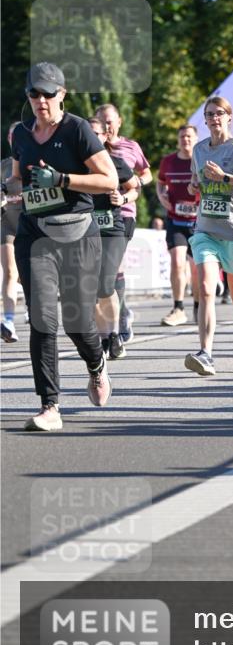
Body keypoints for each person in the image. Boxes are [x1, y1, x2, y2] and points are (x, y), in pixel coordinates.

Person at [10, 63, 116, 432]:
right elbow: (17, 179)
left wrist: (62, 180)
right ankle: (50, 405)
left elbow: (109, 179)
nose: (41, 100)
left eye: (48, 93)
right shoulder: (20, 134)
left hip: (77, 235)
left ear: (62, 94)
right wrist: (9, 190)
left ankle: (96, 364)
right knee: (41, 317)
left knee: (77, 322)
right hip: (35, 234)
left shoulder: (77, 129)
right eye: (34, 93)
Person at [184, 95, 233, 375]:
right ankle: (206, 353)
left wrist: (225, 178)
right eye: (210, 114)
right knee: (206, 288)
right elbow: (197, 181)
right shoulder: (199, 150)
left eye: (220, 113)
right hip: (206, 229)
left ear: (229, 117)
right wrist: (195, 186)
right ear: (205, 120)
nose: (215, 118)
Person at [95, 103, 152, 344]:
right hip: (96, 215)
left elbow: (147, 173)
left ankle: (118, 323)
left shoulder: (130, 147)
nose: (107, 126)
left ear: (119, 122)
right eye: (102, 122)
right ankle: (121, 310)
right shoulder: (87, 151)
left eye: (110, 121)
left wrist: (133, 185)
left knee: (114, 267)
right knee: (102, 272)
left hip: (124, 214)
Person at [87, 116, 139, 359]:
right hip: (85, 231)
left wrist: (124, 198)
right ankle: (105, 337)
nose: (90, 137)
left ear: (105, 136)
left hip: (112, 229)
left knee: (105, 283)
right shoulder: (75, 165)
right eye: (87, 133)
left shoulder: (115, 163)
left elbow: (134, 187)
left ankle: (115, 333)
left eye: (95, 133)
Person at [156, 125, 200, 326]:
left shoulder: (200, 160)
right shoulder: (168, 161)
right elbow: (160, 181)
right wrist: (161, 196)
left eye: (189, 136)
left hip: (199, 222)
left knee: (196, 268)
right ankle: (178, 307)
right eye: (182, 136)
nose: (185, 140)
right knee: (177, 261)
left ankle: (198, 306)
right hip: (176, 220)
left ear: (196, 139)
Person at [1, 122, 22, 342]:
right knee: (9, 272)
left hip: (30, 224)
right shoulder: (3, 166)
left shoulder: (34, 163)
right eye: (11, 136)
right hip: (7, 224)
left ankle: (35, 309)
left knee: (28, 276)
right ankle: (8, 321)